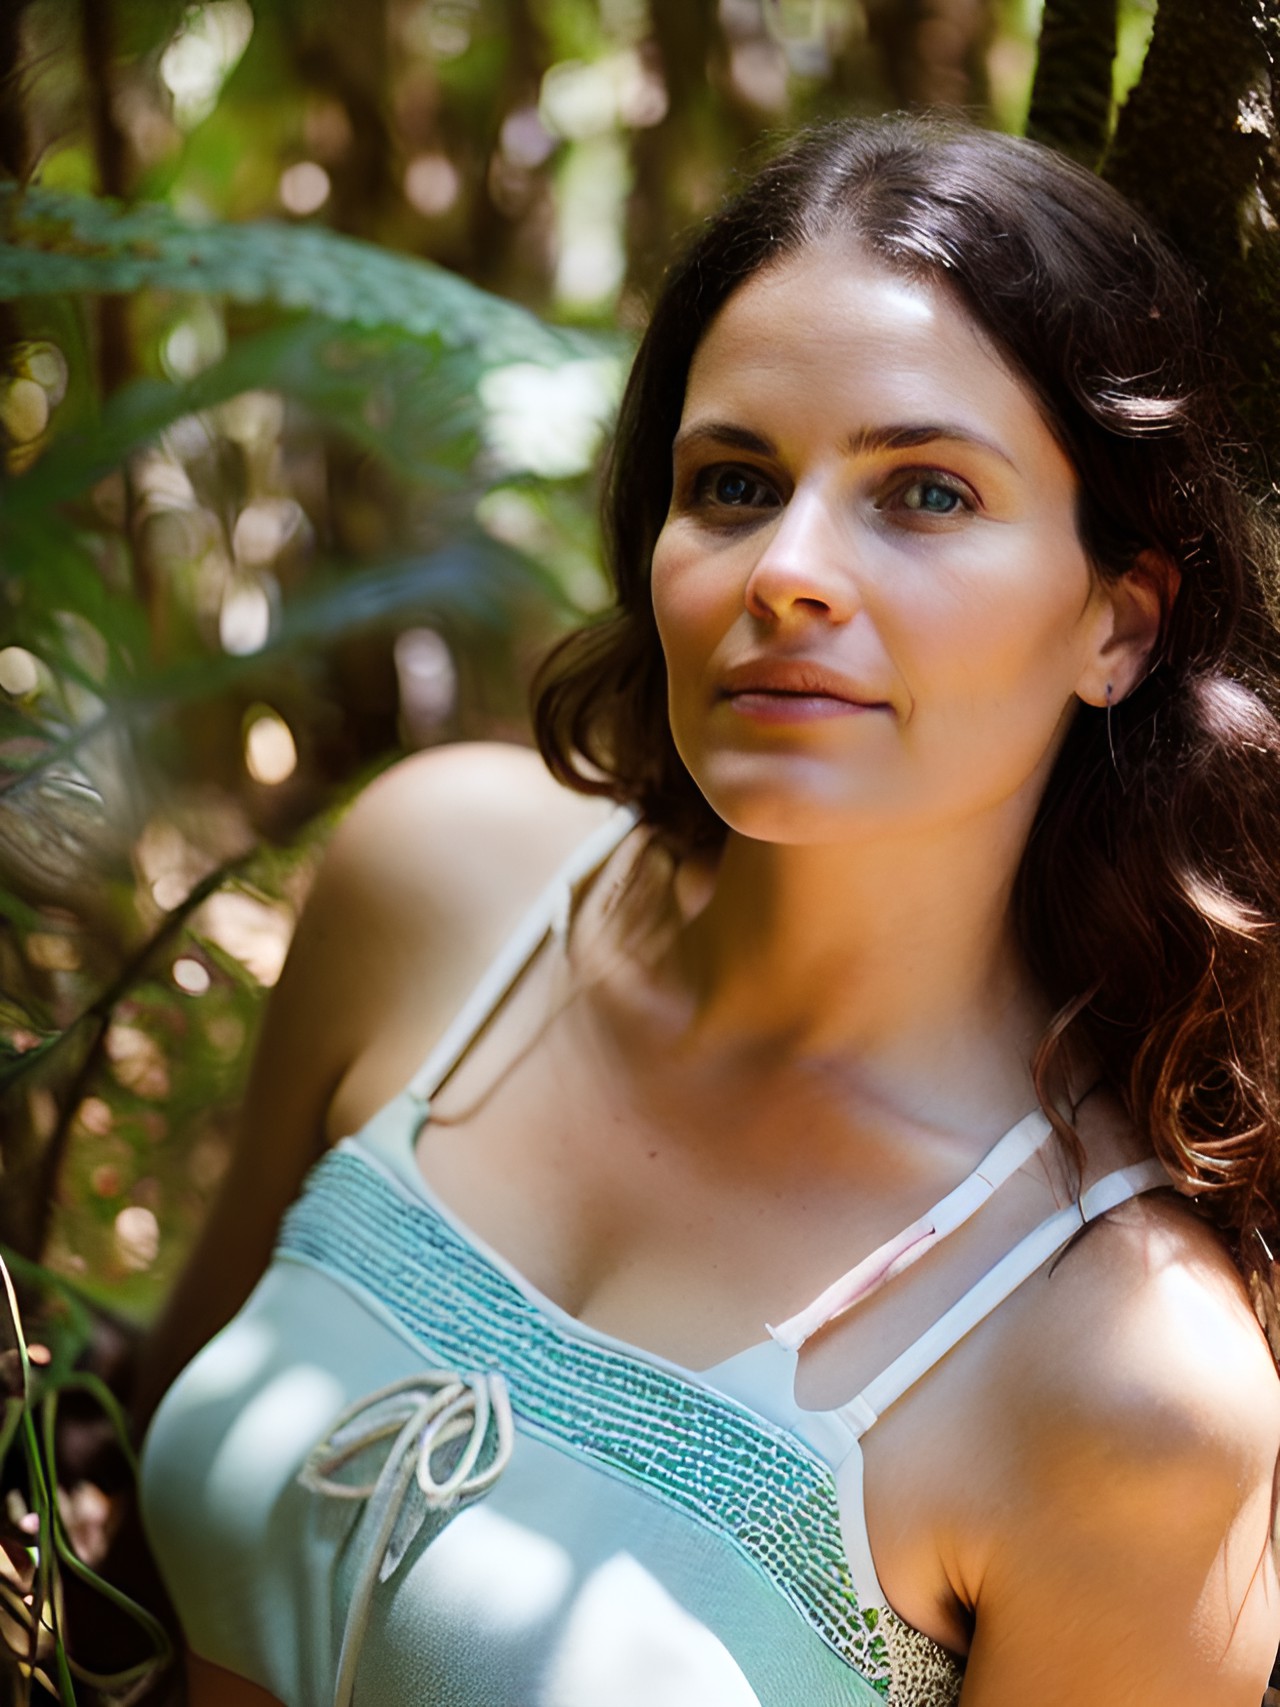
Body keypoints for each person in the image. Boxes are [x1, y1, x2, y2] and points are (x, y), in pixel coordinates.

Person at [136, 115, 1280, 1707]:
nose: (789, 571)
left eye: (927, 492)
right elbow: (138, 1457)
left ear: (1120, 623)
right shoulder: (436, 882)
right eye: (734, 482)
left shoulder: (1124, 1373)